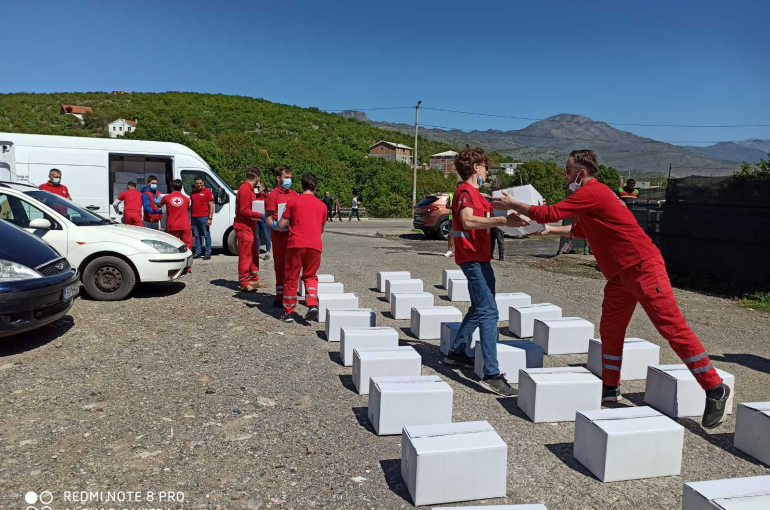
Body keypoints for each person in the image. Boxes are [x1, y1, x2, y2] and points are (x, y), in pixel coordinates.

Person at [491, 149, 731, 429]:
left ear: (581, 173)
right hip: (620, 275)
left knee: (672, 328)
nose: (565, 177)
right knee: (610, 330)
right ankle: (610, 387)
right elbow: (580, 230)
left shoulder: (593, 191)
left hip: (642, 267)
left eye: (568, 172)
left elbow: (551, 212)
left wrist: (514, 203)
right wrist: (550, 230)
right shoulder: (591, 197)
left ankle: (715, 387)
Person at [441, 147, 529, 396]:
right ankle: (491, 374)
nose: (487, 172)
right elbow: (468, 221)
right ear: (475, 167)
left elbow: (494, 214)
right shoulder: (465, 192)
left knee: (479, 308)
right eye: (486, 167)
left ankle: (457, 353)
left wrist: (523, 213)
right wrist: (503, 221)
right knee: (489, 311)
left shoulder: (478, 195)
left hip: (481, 259)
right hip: (471, 259)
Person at [277, 173, 327, 323]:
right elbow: (321, 229)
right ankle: (312, 304)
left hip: (296, 244)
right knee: (310, 276)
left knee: (291, 277)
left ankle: (288, 312)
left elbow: (281, 225)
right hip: (315, 245)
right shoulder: (322, 206)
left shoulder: (293, 201)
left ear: (302, 186)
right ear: (315, 187)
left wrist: (276, 225)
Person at [265, 165, 298, 307]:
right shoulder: (272, 196)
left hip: (292, 235)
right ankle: (279, 296)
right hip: (279, 236)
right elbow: (268, 218)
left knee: (293, 266)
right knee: (280, 266)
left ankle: (290, 294)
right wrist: (275, 226)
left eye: (290, 177)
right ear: (278, 178)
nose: (289, 180)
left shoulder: (295, 194)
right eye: (286, 177)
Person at [234, 168, 266, 291]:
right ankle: (244, 282)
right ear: (257, 178)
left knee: (253, 253)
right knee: (246, 255)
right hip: (244, 227)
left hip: (249, 226)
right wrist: (261, 216)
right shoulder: (245, 189)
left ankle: (253, 278)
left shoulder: (249, 189)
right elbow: (244, 210)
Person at [159, 179, 192, 250]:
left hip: (172, 225)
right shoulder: (187, 199)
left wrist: (156, 201)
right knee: (187, 247)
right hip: (185, 225)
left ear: (172, 187)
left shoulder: (166, 198)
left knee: (172, 246)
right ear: (181, 187)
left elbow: (159, 205)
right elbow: (187, 209)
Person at [190, 177, 214, 260]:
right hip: (195, 217)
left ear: (203, 183)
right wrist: (190, 216)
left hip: (204, 217)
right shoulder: (193, 192)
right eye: (197, 183)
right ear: (195, 183)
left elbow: (211, 206)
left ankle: (208, 253)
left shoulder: (208, 192)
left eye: (200, 183)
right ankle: (198, 252)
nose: (199, 185)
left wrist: (210, 218)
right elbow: (192, 205)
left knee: (206, 235)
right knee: (197, 236)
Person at [255, 182, 271, 260]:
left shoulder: (267, 196)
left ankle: (267, 252)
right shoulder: (256, 196)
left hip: (264, 218)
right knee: (257, 236)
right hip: (257, 218)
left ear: (264, 188)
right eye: (257, 187)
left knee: (267, 235)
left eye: (259, 187)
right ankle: (257, 252)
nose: (258, 188)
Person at [444, 192, 455, 257]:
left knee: (462, 235)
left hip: (461, 218)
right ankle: (449, 251)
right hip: (452, 218)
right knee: (451, 234)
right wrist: (451, 207)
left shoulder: (464, 194)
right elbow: (447, 205)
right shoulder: (451, 195)